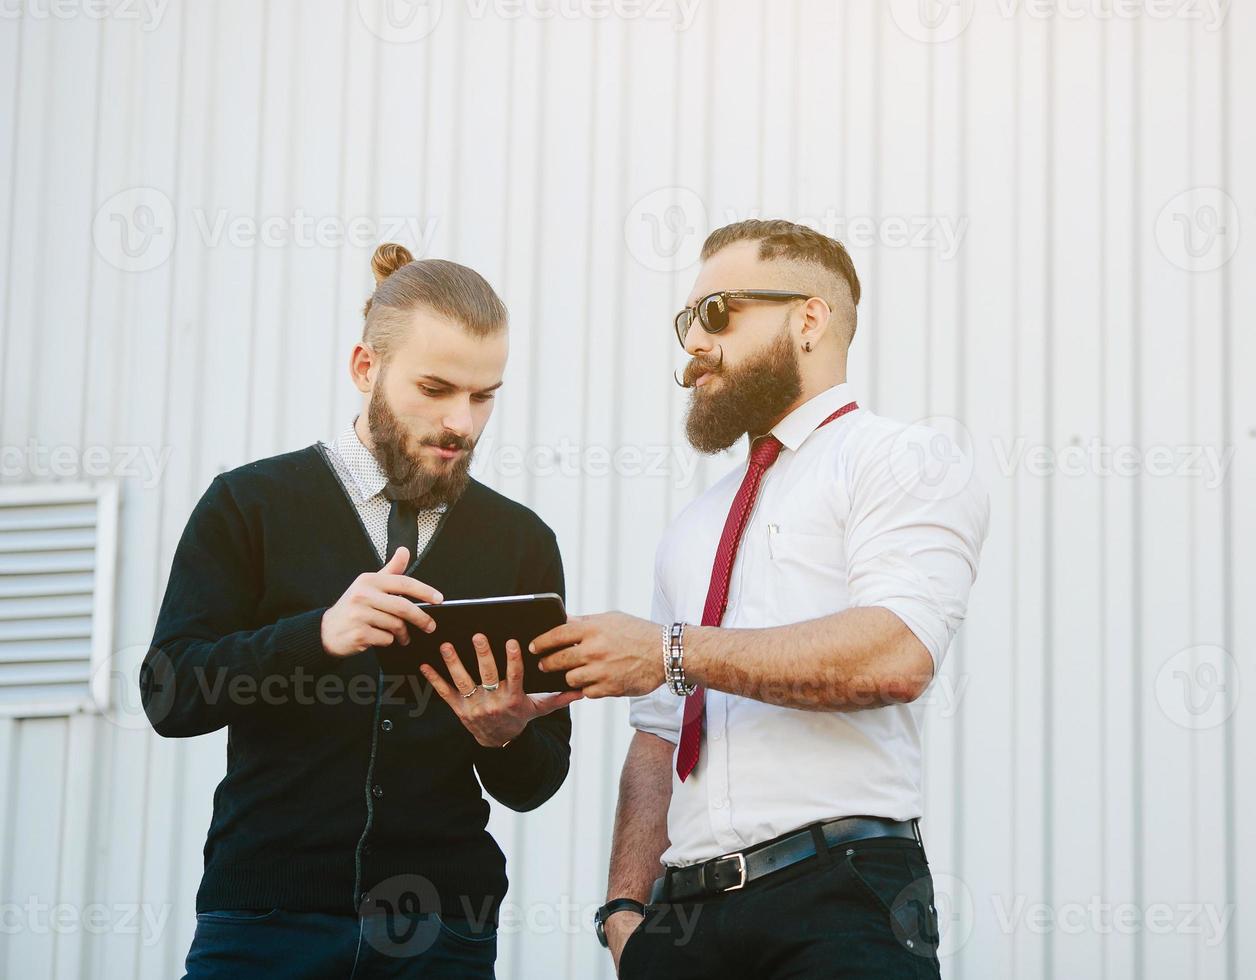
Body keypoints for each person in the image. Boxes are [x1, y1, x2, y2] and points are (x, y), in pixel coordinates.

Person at [530, 220, 989, 977]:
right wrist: (624, 913)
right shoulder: (692, 525)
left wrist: (669, 650)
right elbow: (659, 733)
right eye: (687, 322)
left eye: (717, 313)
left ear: (809, 319)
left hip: (839, 900)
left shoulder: (903, 458)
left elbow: (896, 655)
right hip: (680, 923)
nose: (694, 345)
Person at [143, 243, 580, 978]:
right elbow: (170, 693)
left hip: (443, 934)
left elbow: (535, 783)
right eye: (436, 389)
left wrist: (499, 735)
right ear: (365, 368)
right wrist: (318, 634)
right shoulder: (249, 505)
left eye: (483, 396)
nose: (461, 423)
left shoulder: (521, 541)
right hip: (263, 927)